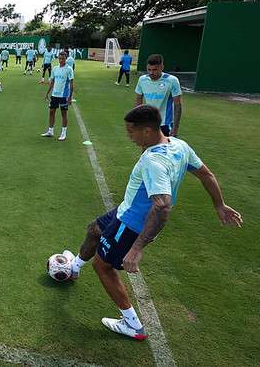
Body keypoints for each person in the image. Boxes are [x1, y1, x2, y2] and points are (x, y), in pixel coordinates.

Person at [66, 105, 242, 340]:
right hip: (125, 210)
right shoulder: (179, 145)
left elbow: (162, 206)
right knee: (94, 229)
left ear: (147, 131)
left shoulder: (153, 161)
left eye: (131, 132)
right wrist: (219, 205)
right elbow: (206, 174)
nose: (129, 136)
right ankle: (74, 268)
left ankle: (133, 325)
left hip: (131, 225)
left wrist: (136, 248)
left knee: (102, 266)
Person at [134, 54, 182, 137]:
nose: (151, 73)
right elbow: (138, 101)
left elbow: (178, 105)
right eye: (149, 69)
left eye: (155, 70)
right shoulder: (142, 80)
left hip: (165, 124)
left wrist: (175, 128)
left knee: (165, 149)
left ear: (162, 67)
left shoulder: (172, 80)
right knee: (146, 149)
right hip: (148, 123)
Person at [41, 51, 74, 141]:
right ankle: (50, 131)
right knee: (51, 112)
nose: (61, 60)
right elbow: (52, 82)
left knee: (64, 114)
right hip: (54, 95)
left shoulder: (69, 69)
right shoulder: (55, 68)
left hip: (64, 95)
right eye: (59, 58)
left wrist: (70, 97)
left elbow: (71, 84)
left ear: (66, 59)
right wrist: (48, 93)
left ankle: (63, 133)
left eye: (63, 58)